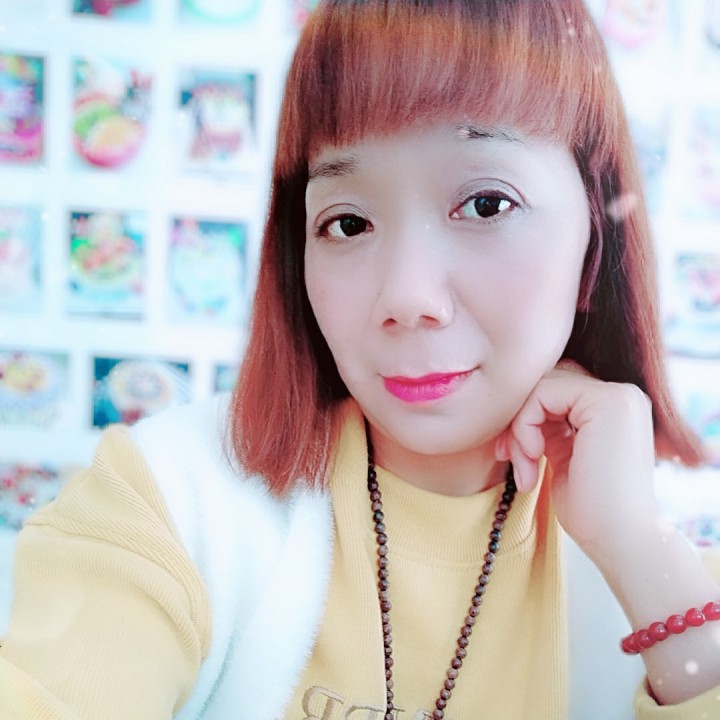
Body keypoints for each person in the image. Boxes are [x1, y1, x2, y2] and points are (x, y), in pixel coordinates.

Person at [2, 1, 719, 718]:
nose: (408, 297)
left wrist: (637, 548)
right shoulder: (170, 502)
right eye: (348, 222)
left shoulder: (661, 574)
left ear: (594, 238)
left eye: (486, 205)